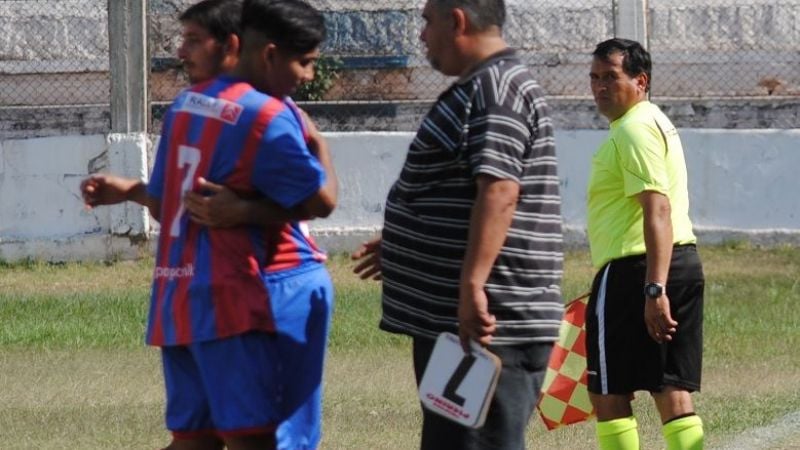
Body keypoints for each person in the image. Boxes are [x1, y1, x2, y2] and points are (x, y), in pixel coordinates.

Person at [80, 1, 335, 449]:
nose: (181, 52)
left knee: (193, 442)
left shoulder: (185, 105)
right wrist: (316, 141)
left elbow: (170, 205)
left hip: (178, 298)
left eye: (192, 39)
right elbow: (321, 200)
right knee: (259, 439)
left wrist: (135, 191)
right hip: (240, 300)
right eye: (306, 62)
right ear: (265, 52)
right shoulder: (269, 114)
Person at [351, 0, 564, 448]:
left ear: (458, 20)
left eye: (428, 22)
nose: (422, 35)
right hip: (463, 324)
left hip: (488, 325)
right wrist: (412, 240)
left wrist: (471, 287)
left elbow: (500, 190)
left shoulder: (497, 88)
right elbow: (470, 188)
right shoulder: (485, 85)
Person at [585, 38, 705, 450]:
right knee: (669, 387)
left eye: (611, 77)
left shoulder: (633, 130)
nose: (600, 86)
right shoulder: (654, 120)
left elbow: (657, 209)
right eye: (595, 78)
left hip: (635, 271)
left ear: (641, 81)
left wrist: (654, 289)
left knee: (608, 392)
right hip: (678, 262)